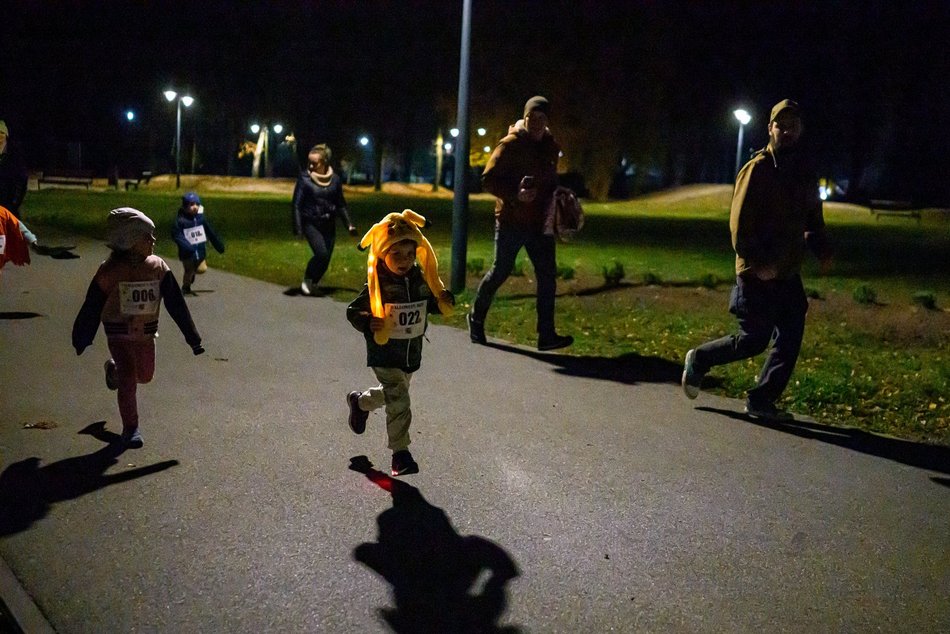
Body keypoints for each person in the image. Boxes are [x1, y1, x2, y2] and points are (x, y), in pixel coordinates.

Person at [681, 99, 832, 421]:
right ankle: (700, 359)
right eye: (781, 125)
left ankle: (762, 399)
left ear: (800, 130)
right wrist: (757, 263)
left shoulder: (804, 173)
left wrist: (821, 246)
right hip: (757, 270)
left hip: (788, 270)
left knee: (791, 333)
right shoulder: (758, 170)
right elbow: (739, 225)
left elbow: (812, 217)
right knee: (754, 340)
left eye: (793, 125)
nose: (787, 131)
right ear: (770, 129)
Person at [72, 208, 205, 448]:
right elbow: (92, 303)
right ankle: (131, 428)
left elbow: (176, 303)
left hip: (145, 334)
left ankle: (113, 371)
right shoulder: (110, 271)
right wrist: (82, 335)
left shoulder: (157, 267)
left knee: (144, 375)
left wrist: (192, 337)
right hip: (118, 333)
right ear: (129, 241)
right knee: (128, 378)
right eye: (147, 236)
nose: (153, 241)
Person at [346, 210, 455, 476]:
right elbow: (353, 311)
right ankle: (400, 454)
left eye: (410, 254)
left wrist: (442, 302)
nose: (405, 260)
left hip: (410, 354)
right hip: (384, 352)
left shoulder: (419, 278)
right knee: (400, 400)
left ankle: (360, 403)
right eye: (397, 255)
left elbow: (428, 304)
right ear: (383, 253)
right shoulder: (378, 284)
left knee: (394, 395)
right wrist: (368, 320)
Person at [468, 95, 573, 351]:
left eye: (541, 118)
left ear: (547, 121)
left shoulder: (550, 146)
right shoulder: (511, 143)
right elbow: (487, 179)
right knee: (500, 271)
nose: (536, 122)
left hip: (540, 225)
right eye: (531, 117)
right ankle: (476, 317)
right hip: (512, 221)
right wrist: (516, 194)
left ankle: (546, 335)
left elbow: (549, 179)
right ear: (524, 118)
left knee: (547, 277)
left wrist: (560, 197)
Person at [292, 144, 357, 296]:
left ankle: (313, 283)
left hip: (329, 224)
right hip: (311, 222)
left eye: (315, 163)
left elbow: (340, 204)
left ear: (325, 162)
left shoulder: (334, 180)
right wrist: (298, 227)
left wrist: (349, 225)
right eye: (309, 162)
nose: (310, 165)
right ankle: (307, 280)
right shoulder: (304, 179)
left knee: (326, 259)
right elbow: (296, 204)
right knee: (321, 254)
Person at [171, 192, 225, 294]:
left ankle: (192, 274)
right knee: (188, 270)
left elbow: (210, 232)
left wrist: (219, 245)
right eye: (191, 205)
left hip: (200, 252)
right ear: (185, 206)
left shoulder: (201, 219)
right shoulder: (181, 221)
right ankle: (186, 287)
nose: (195, 207)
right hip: (187, 253)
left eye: (196, 204)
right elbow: (177, 235)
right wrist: (187, 246)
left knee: (202, 269)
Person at [0, 120, 29, 219]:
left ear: (6, 135)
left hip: (9, 206)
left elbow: (22, 178)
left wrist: (14, 202)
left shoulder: (14, 154)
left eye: (2, 132)